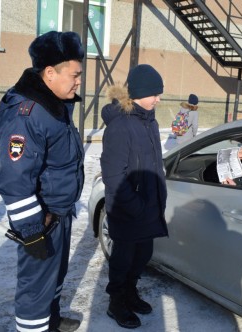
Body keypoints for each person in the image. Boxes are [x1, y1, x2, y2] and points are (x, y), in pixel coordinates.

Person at [0, 31, 85, 332]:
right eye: (74, 75)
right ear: (49, 73)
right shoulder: (28, 113)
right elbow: (14, 180)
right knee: (36, 289)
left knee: (55, 278)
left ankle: (53, 323)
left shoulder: (56, 104)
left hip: (60, 212)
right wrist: (32, 231)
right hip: (41, 220)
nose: (78, 82)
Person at [100, 64, 169, 329]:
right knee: (123, 259)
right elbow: (114, 175)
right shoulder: (120, 126)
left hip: (149, 206)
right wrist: (136, 205)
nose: (158, 99)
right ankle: (116, 301)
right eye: (154, 94)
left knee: (142, 256)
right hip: (129, 209)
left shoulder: (150, 121)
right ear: (139, 92)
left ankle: (131, 292)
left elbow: (153, 163)